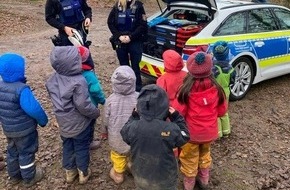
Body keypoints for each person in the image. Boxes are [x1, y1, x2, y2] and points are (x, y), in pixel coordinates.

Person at [172, 52, 227, 190]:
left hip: (191, 135)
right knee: (205, 154)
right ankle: (204, 180)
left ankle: (189, 184)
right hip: (209, 133)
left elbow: (179, 113)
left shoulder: (185, 91)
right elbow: (222, 112)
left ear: (190, 70)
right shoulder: (218, 90)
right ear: (210, 69)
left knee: (189, 158)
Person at [46, 46, 100, 184]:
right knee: (81, 147)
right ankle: (83, 173)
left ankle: (70, 173)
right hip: (79, 123)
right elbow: (83, 105)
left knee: (68, 145)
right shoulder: (79, 81)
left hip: (63, 122)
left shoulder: (52, 79)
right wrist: (95, 113)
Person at [121, 84, 190, 190]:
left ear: (139, 107)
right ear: (166, 108)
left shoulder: (134, 127)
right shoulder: (170, 129)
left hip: (141, 176)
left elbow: (124, 133)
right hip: (165, 179)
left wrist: (134, 116)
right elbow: (185, 136)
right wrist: (176, 117)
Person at [0, 53, 48, 187]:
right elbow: (33, 109)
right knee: (26, 152)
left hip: (8, 129)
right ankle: (29, 177)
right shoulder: (21, 90)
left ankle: (14, 175)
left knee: (12, 151)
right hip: (25, 130)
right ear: (19, 71)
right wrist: (43, 120)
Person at [100, 65, 139, 184]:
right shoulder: (139, 97)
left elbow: (105, 119)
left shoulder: (110, 101)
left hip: (117, 137)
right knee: (134, 154)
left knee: (118, 156)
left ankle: (118, 174)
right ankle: (133, 167)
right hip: (135, 137)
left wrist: (104, 131)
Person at [107, 0, 148, 92]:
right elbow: (110, 22)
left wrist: (131, 37)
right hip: (121, 41)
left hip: (134, 40)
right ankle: (124, 88)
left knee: (135, 67)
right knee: (124, 66)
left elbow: (143, 25)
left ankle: (137, 90)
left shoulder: (138, 6)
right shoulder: (117, 6)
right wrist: (118, 36)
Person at [45, 0, 94, 68]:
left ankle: (89, 77)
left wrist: (88, 17)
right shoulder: (53, 1)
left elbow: (87, 9)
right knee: (69, 63)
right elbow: (49, 18)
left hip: (81, 31)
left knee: (86, 60)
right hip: (65, 35)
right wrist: (64, 28)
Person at [78, 46, 106, 150]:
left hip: (76, 105)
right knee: (89, 124)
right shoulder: (89, 75)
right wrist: (103, 100)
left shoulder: (71, 73)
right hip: (90, 106)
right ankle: (89, 142)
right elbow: (96, 90)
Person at [212, 41, 235, 138]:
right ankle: (226, 131)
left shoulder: (214, 69)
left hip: (216, 93)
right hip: (226, 92)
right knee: (224, 111)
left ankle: (218, 133)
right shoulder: (231, 68)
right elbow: (233, 81)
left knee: (216, 112)